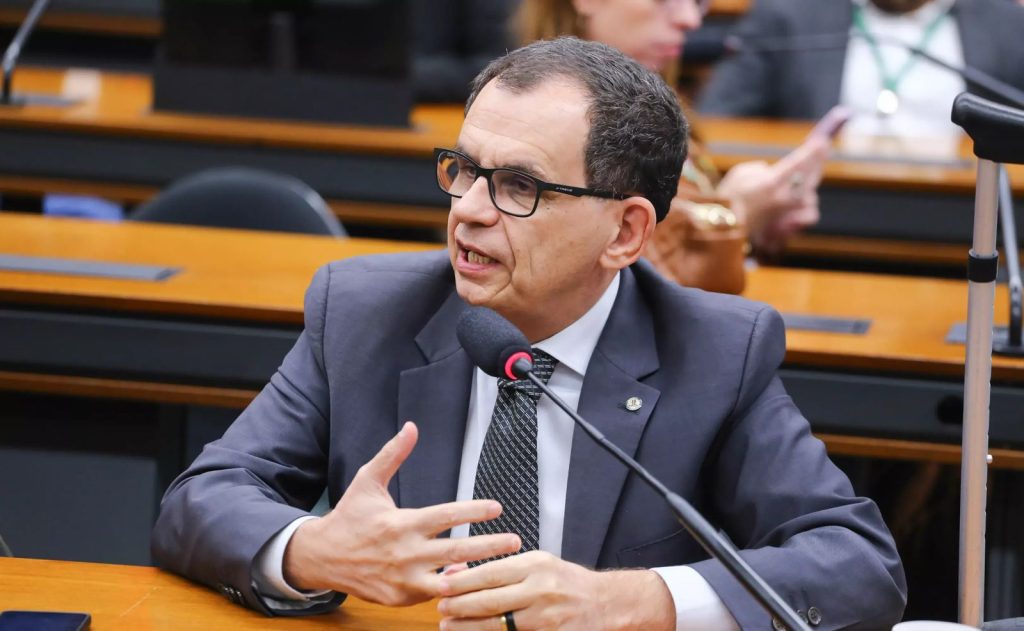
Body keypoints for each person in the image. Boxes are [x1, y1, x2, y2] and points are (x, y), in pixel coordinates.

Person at [152, 37, 906, 630]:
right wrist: (315, 551)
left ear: (626, 231)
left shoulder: (712, 353)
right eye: (463, 169)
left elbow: (857, 565)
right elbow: (202, 499)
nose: (469, 210)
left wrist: (634, 601)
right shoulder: (365, 311)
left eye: (520, 186)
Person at [515, 0, 832, 264]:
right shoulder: (541, 129)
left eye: (697, 1)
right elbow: (610, 278)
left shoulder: (659, 112)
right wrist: (735, 216)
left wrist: (758, 223)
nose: (690, 19)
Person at [698, 0, 1024, 138]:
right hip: (819, 220)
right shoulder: (787, 14)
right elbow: (714, 125)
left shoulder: (1008, 25)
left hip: (967, 220)